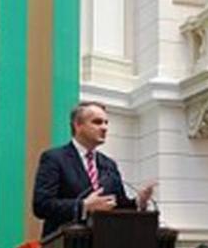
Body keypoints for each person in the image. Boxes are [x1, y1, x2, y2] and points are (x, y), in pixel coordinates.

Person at [32, 101, 154, 237]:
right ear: (78, 125)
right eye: (97, 122)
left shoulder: (109, 164)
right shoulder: (55, 158)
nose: (104, 127)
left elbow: (118, 205)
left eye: (106, 123)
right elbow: (41, 205)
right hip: (66, 246)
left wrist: (138, 202)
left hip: (105, 244)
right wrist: (84, 206)